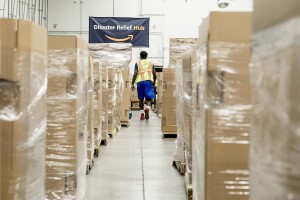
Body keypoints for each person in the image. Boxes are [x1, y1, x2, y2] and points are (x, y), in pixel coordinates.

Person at [131, 51, 157, 120]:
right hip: (148, 82)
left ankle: (142, 114)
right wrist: (154, 83)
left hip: (140, 82)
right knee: (148, 98)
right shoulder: (151, 63)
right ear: (147, 56)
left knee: (141, 99)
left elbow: (135, 73)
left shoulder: (137, 63)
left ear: (140, 56)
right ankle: (148, 108)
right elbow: (154, 74)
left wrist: (132, 83)